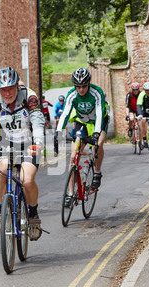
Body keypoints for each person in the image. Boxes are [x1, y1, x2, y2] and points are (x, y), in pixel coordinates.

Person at [0, 67, 45, 240]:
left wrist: (38, 143)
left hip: (29, 142)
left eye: (11, 88)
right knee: (1, 170)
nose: (7, 93)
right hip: (5, 141)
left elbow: (37, 120)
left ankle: (33, 217)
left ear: (17, 85)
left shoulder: (29, 96)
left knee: (27, 181)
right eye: (3, 89)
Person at [56, 68, 108, 206]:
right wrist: (58, 132)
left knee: (98, 144)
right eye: (78, 86)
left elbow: (99, 112)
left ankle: (97, 172)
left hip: (98, 122)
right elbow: (65, 114)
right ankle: (70, 193)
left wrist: (96, 134)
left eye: (84, 86)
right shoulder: (72, 95)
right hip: (82, 123)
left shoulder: (96, 93)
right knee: (73, 157)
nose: (81, 90)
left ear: (89, 84)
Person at [125, 82, 143, 149]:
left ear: (138, 89)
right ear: (132, 89)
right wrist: (127, 115)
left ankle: (140, 141)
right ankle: (130, 129)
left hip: (139, 109)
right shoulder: (129, 95)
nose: (135, 91)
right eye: (134, 90)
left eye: (136, 89)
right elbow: (127, 106)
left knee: (140, 125)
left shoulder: (141, 94)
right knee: (131, 119)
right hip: (131, 109)